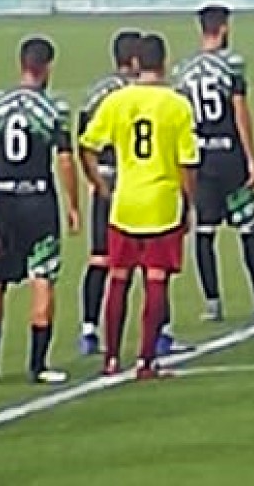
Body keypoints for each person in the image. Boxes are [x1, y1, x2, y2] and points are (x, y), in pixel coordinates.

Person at [78, 32, 199, 380]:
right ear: (163, 61)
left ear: (135, 63)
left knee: (118, 279)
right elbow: (186, 162)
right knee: (156, 281)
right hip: (161, 202)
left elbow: (87, 143)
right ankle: (146, 360)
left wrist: (98, 183)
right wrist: (188, 202)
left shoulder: (117, 101)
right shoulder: (176, 104)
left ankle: (111, 358)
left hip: (125, 202)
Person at [0, 37, 80, 387]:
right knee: (42, 278)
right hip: (38, 200)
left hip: (2, 200)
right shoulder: (53, 109)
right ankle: (38, 365)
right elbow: (64, 158)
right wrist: (73, 204)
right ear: (46, 66)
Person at [172, 6, 254, 322]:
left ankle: (213, 302)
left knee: (205, 232)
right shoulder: (232, 65)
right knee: (248, 228)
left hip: (200, 159)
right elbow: (240, 111)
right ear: (225, 27)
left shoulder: (183, 70)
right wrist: (252, 158)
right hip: (229, 155)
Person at [75, 31, 142, 360]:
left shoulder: (96, 92)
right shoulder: (136, 94)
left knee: (100, 256)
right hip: (132, 178)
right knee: (145, 257)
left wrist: (94, 180)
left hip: (102, 175)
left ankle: (88, 328)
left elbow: (82, 138)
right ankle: (159, 334)